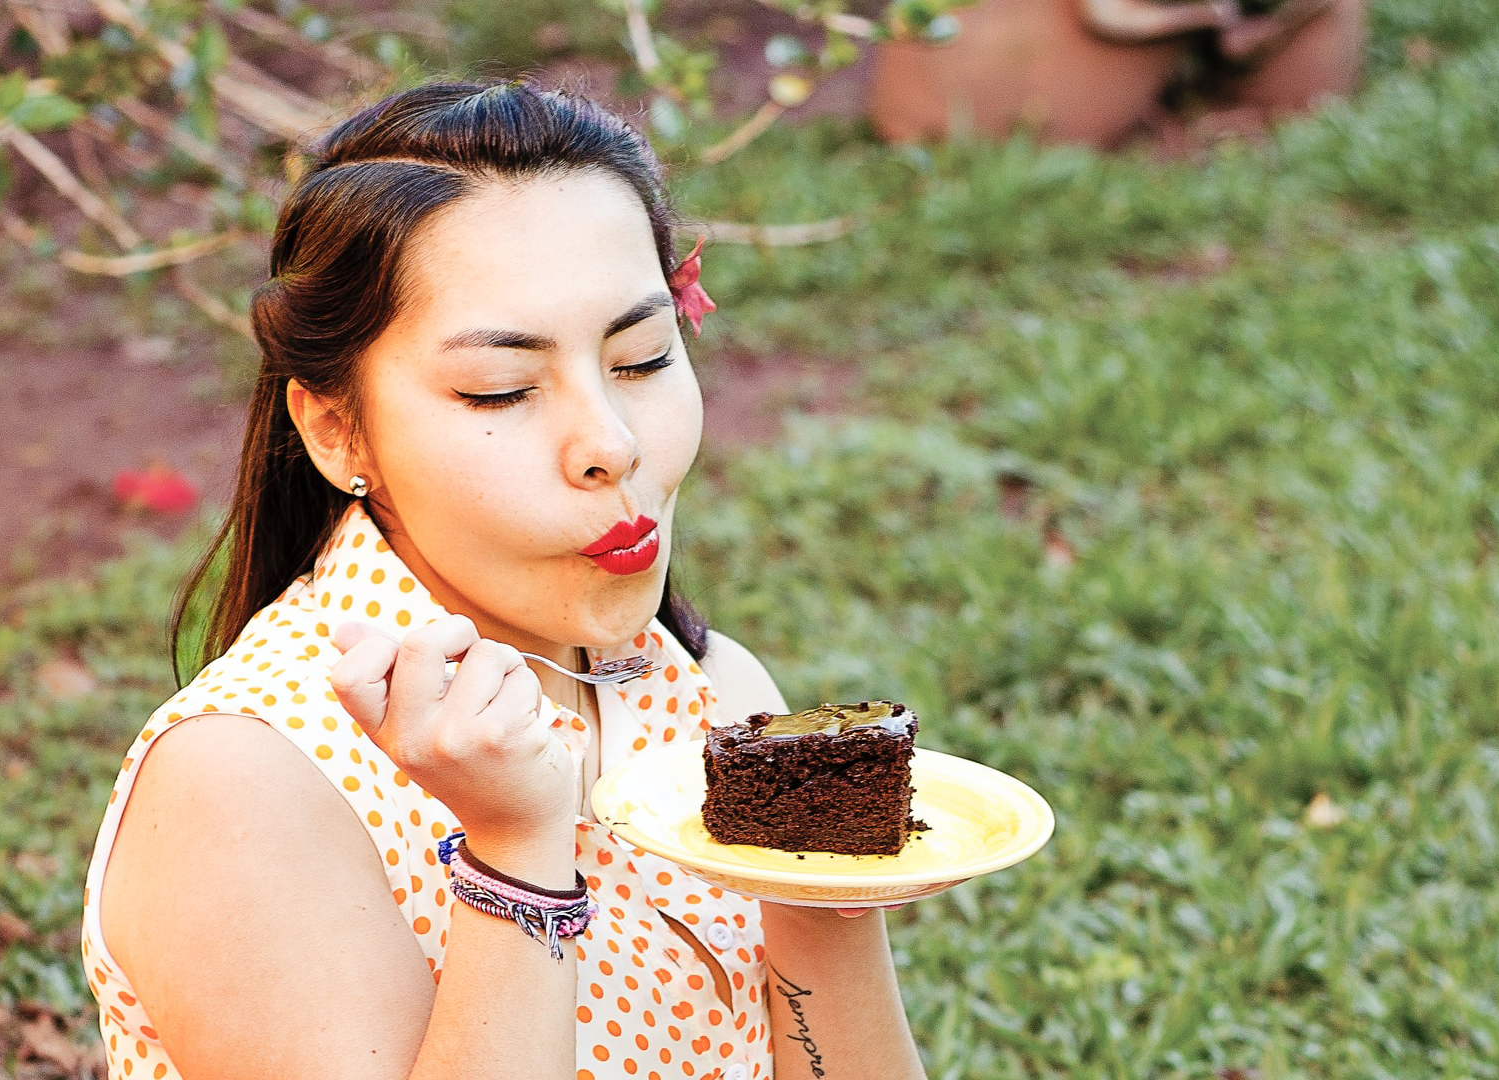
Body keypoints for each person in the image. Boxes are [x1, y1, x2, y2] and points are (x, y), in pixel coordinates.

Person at [81, 79, 926, 1080]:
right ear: (337, 429)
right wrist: (517, 851)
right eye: (504, 389)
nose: (611, 445)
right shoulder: (245, 783)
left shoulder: (715, 697)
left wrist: (828, 885)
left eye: (642, 359)